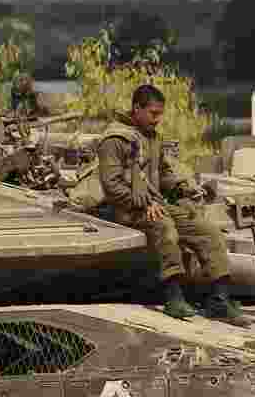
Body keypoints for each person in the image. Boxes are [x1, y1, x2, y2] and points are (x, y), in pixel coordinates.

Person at [97, 84, 242, 320]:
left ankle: (220, 299)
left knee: (208, 231)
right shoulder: (114, 139)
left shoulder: (152, 137)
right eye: (154, 113)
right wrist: (142, 205)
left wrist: (182, 187)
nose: (158, 119)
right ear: (137, 109)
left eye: (160, 114)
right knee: (165, 228)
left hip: (156, 204)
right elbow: (111, 186)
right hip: (126, 210)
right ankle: (173, 297)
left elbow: (162, 172)